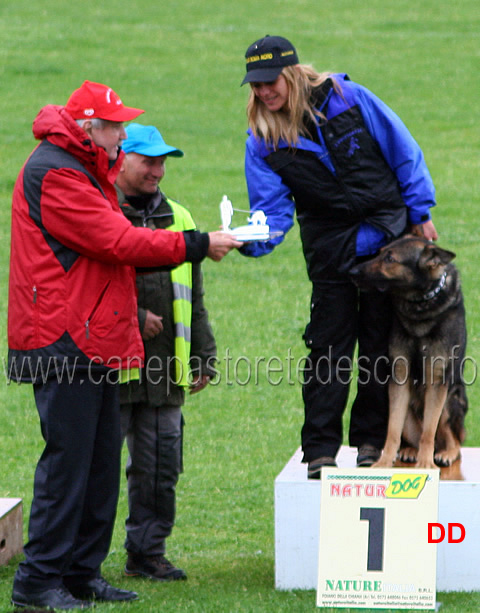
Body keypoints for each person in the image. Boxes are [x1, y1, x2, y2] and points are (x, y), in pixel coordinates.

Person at [7, 80, 241, 610]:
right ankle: (38, 582)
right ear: (88, 128)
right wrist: (199, 244)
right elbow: (117, 241)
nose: (121, 134)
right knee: (69, 465)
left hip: (90, 338)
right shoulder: (56, 172)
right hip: (62, 340)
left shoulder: (85, 169)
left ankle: (82, 573)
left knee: (97, 466)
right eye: (114, 126)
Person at [239, 36, 438, 479]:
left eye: (270, 83)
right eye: (255, 86)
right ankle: (320, 451)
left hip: (388, 247)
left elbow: (402, 150)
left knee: (380, 346)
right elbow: (271, 210)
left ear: (290, 74)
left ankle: (370, 442)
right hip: (332, 253)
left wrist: (420, 211)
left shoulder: (349, 98)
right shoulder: (263, 139)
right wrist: (253, 240)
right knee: (327, 352)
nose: (263, 93)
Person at [115, 123, 217, 582]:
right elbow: (88, 285)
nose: (158, 169)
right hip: (110, 368)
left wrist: (203, 354)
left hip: (164, 368)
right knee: (95, 469)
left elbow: (192, 296)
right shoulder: (100, 211)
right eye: (148, 160)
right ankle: (77, 558)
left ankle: (147, 552)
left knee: (160, 466)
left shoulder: (179, 216)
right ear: (122, 159)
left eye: (162, 161)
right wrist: (135, 317)